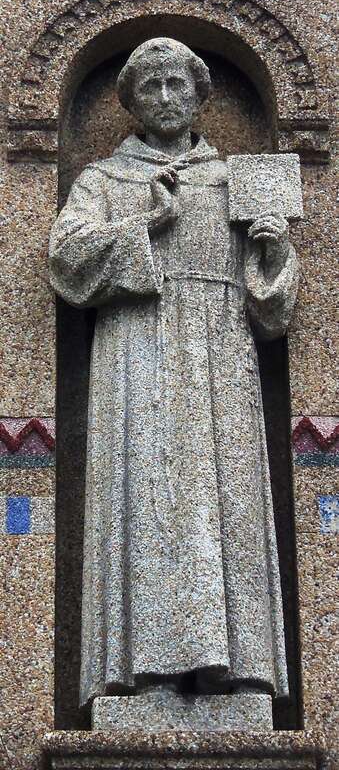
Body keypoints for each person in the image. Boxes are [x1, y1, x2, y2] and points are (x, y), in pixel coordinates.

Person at [49, 38, 298, 723]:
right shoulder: (103, 180)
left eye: (175, 84)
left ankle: (239, 673)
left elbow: (273, 313)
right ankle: (137, 672)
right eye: (150, 86)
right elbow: (66, 266)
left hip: (223, 357)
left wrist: (272, 251)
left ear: (199, 95)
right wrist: (142, 224)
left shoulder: (239, 178)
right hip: (136, 355)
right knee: (145, 500)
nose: (164, 97)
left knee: (230, 507)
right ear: (130, 101)